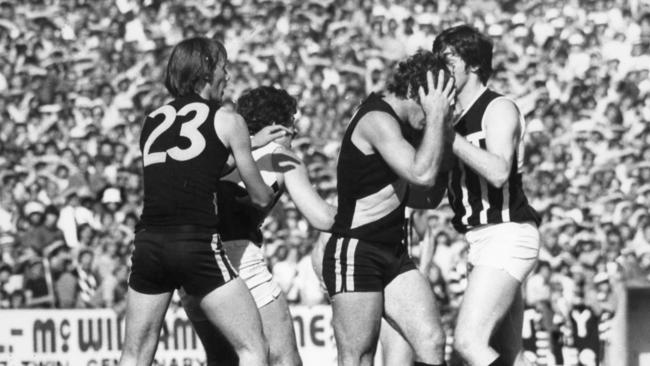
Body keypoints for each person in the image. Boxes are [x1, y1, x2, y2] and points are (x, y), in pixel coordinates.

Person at [118, 37, 274, 366]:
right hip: (196, 244)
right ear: (206, 71)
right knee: (252, 349)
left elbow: (189, 165)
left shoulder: (151, 121)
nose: (228, 76)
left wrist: (246, 144)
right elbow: (260, 196)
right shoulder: (229, 119)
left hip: (149, 244)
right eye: (223, 67)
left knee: (134, 354)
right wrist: (253, 151)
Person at [180, 86, 337, 366]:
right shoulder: (282, 155)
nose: (296, 134)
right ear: (279, 127)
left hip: (191, 259)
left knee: (222, 361)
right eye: (292, 125)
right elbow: (322, 218)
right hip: (237, 259)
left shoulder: (221, 150)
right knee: (284, 359)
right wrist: (370, 212)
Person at [322, 50, 454, 366]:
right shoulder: (377, 119)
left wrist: (444, 130)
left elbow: (428, 197)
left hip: (393, 253)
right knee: (359, 355)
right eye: (434, 101)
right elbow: (421, 173)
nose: (437, 110)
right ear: (413, 92)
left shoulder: (406, 127)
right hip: (357, 250)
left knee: (433, 342)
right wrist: (436, 118)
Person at [431, 25, 542, 366]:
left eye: (447, 57)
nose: (439, 66)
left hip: (507, 234)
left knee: (467, 342)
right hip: (480, 240)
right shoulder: (452, 118)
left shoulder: (499, 108)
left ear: (474, 64)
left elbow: (497, 172)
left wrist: (447, 137)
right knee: (506, 355)